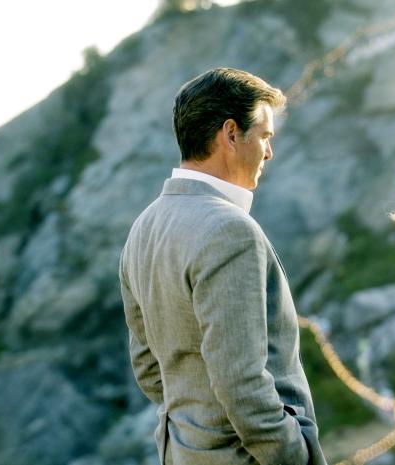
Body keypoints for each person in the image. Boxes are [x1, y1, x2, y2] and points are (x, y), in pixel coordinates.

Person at [119, 67, 327, 465]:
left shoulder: (142, 229)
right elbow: (242, 384)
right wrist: (295, 454)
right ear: (231, 134)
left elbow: (148, 369)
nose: (269, 152)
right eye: (264, 136)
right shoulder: (231, 230)